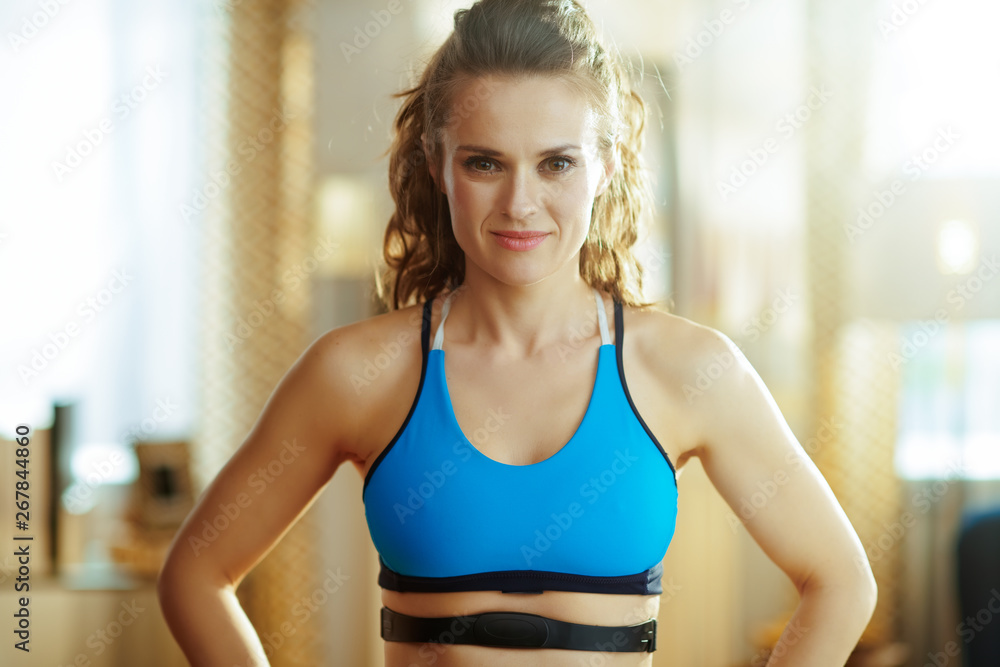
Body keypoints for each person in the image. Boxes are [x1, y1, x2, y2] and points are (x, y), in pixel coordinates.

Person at [157, 0, 878, 665]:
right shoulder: (358, 371)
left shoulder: (689, 369)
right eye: (484, 162)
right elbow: (195, 574)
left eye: (556, 162)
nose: (520, 204)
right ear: (438, 165)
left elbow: (841, 582)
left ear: (607, 165)